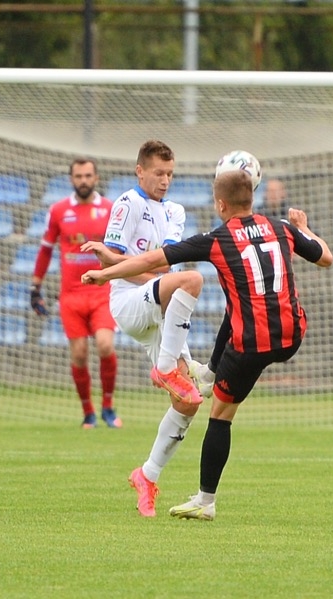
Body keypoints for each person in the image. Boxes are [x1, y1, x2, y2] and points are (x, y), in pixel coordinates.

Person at [83, 169, 333, 520]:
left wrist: (106, 271)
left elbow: (155, 260)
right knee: (235, 307)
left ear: (220, 204)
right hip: (292, 335)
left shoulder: (218, 238)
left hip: (252, 342)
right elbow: (325, 257)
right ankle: (207, 374)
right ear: (253, 198)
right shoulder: (282, 227)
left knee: (220, 414)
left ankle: (205, 500)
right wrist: (304, 228)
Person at [79, 139, 206, 517]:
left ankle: (147, 475)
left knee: (188, 403)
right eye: (158, 173)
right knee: (192, 280)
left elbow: (161, 266)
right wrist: (108, 270)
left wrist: (119, 263)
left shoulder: (175, 211)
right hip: (129, 302)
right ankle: (166, 368)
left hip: (159, 305)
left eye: (170, 174)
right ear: (140, 171)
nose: (165, 180)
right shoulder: (127, 203)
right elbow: (126, 263)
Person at [30, 158, 120, 429]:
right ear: (71, 179)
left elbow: (121, 249)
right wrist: (35, 287)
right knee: (79, 354)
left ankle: (107, 406)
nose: (83, 180)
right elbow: (46, 249)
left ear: (96, 178)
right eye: (78, 175)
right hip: (70, 295)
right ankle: (88, 413)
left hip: (102, 291)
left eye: (88, 175)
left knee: (105, 345)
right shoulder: (58, 211)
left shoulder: (110, 209)